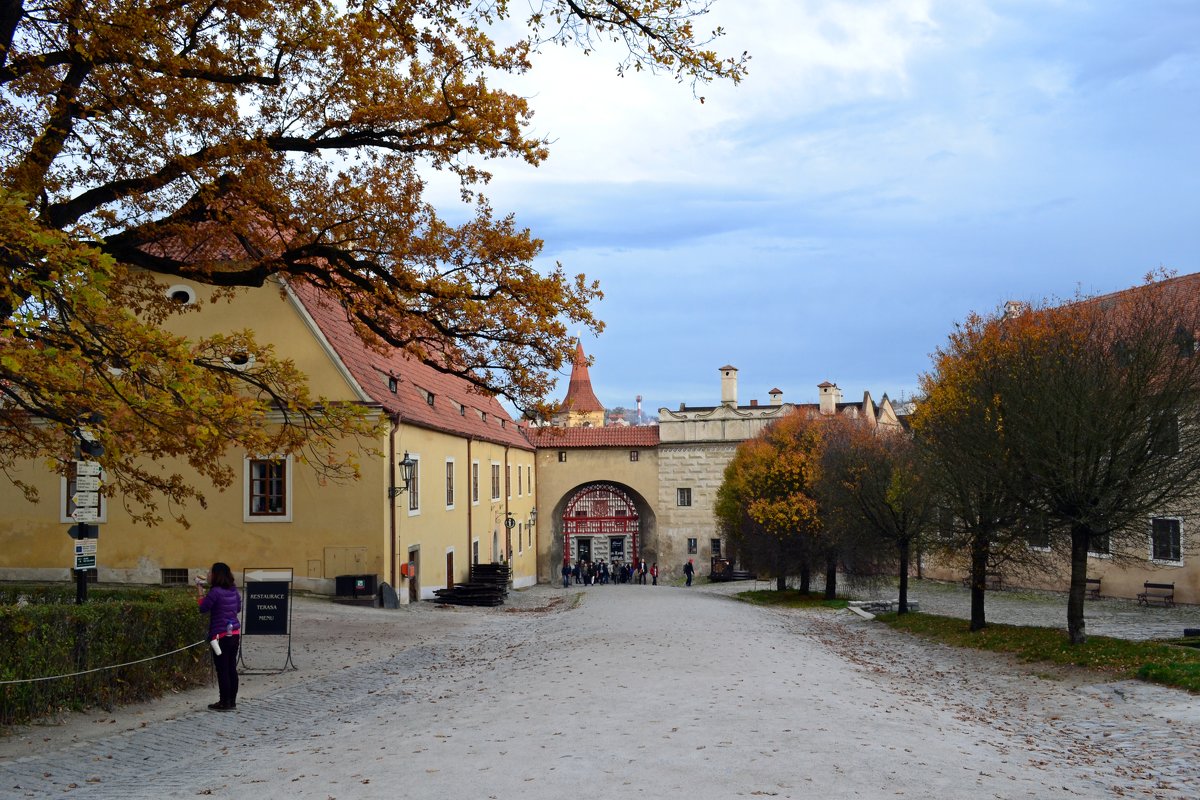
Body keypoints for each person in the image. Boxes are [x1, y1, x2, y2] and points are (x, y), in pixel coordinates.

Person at [197, 562, 241, 711]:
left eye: (210, 572)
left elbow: (203, 608)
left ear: (216, 575)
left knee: (222, 669)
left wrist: (200, 591)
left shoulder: (215, 592)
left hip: (219, 637)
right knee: (231, 668)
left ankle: (224, 702)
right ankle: (232, 701)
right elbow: (238, 608)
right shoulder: (234, 590)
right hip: (234, 634)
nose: (208, 574)